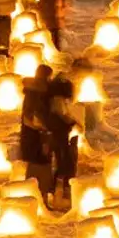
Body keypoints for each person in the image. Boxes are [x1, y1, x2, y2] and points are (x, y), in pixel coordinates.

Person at [39, 78, 78, 210]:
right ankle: (60, 193)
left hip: (58, 137)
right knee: (64, 164)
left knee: (62, 164)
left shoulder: (53, 100)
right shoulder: (57, 101)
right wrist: (70, 123)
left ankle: (57, 190)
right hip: (58, 137)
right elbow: (60, 118)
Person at [17, 63, 53, 166]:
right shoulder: (38, 90)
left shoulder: (32, 89)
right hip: (35, 128)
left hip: (30, 127)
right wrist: (43, 126)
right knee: (36, 158)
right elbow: (35, 111)